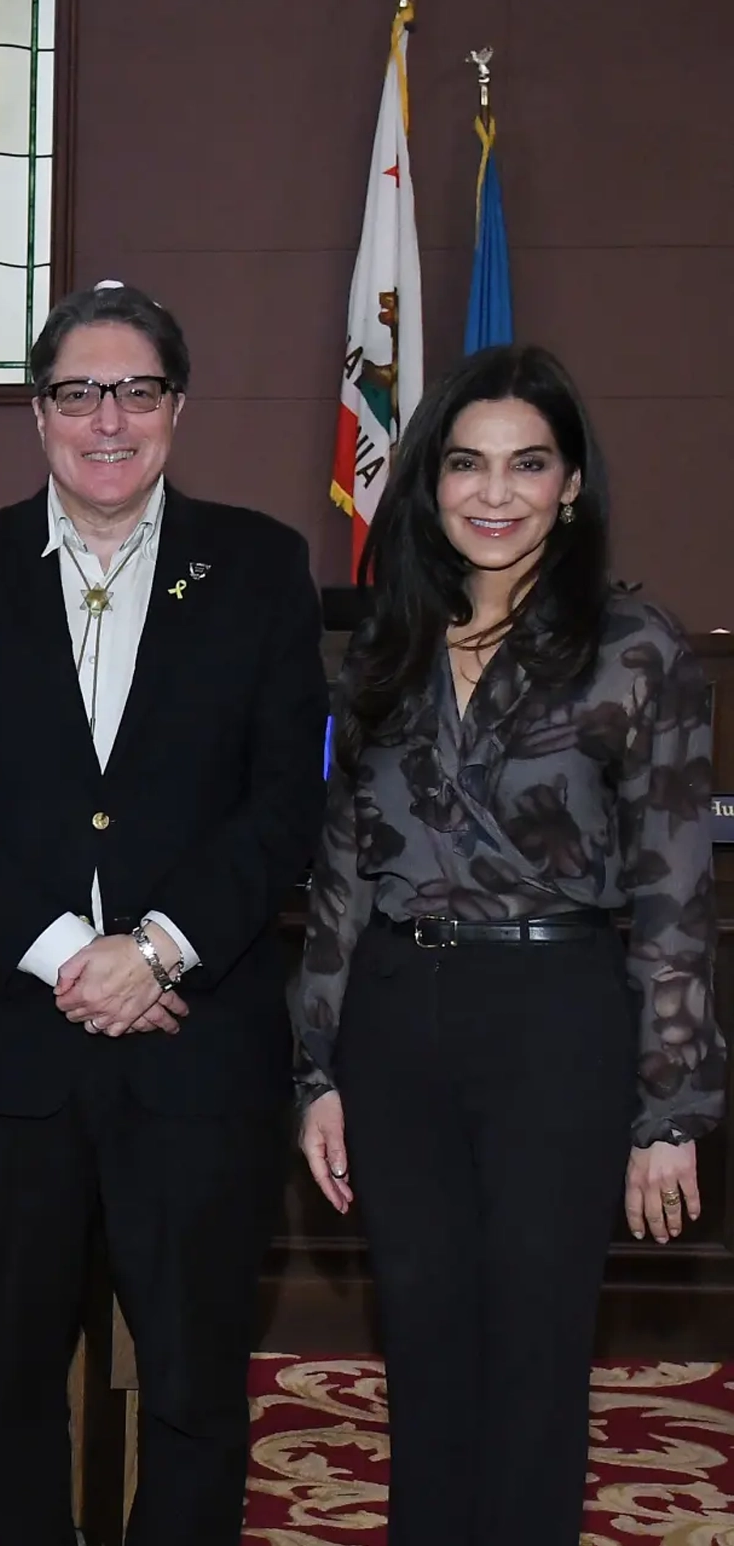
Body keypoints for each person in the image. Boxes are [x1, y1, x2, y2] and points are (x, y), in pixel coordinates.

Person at [0, 281, 329, 1544]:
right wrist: (72, 955)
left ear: (177, 409)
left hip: (195, 1053)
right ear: (39, 415)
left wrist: (158, 949)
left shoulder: (258, 568)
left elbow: (285, 802)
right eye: (79, 393)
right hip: (2, 1058)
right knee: (8, 1387)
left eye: (137, 391)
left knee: (192, 1388)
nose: (108, 420)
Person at [293, 343, 723, 1544]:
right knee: (423, 1357)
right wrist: (318, 1067)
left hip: (556, 1021)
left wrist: (671, 1107)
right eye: (468, 464)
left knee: (534, 1360)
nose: (496, 492)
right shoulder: (384, 643)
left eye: (528, 464)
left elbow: (676, 891)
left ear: (571, 483)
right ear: (429, 484)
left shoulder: (639, 647)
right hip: (392, 1020)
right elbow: (339, 867)